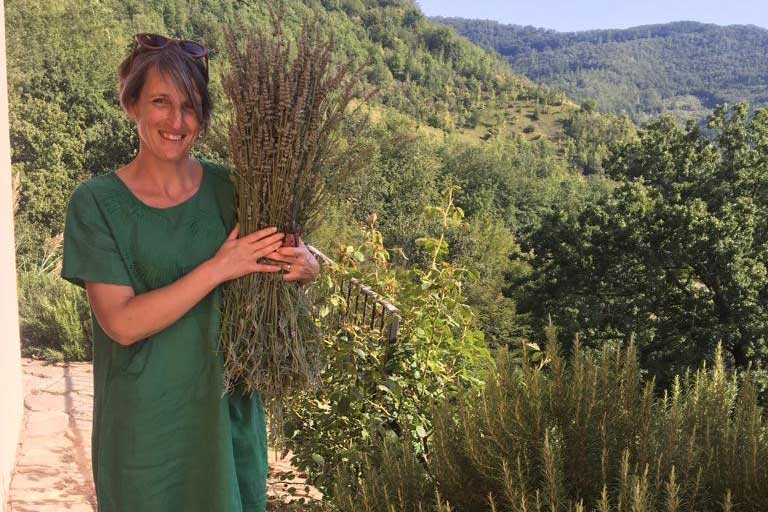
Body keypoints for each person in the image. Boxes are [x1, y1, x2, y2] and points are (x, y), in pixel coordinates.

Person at [61, 33, 320, 512]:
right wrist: (219, 268)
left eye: (191, 106)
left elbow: (290, 256)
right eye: (161, 101)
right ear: (131, 102)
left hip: (226, 425)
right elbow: (121, 322)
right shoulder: (96, 203)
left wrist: (305, 264)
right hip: (144, 436)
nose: (177, 121)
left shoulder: (236, 189)